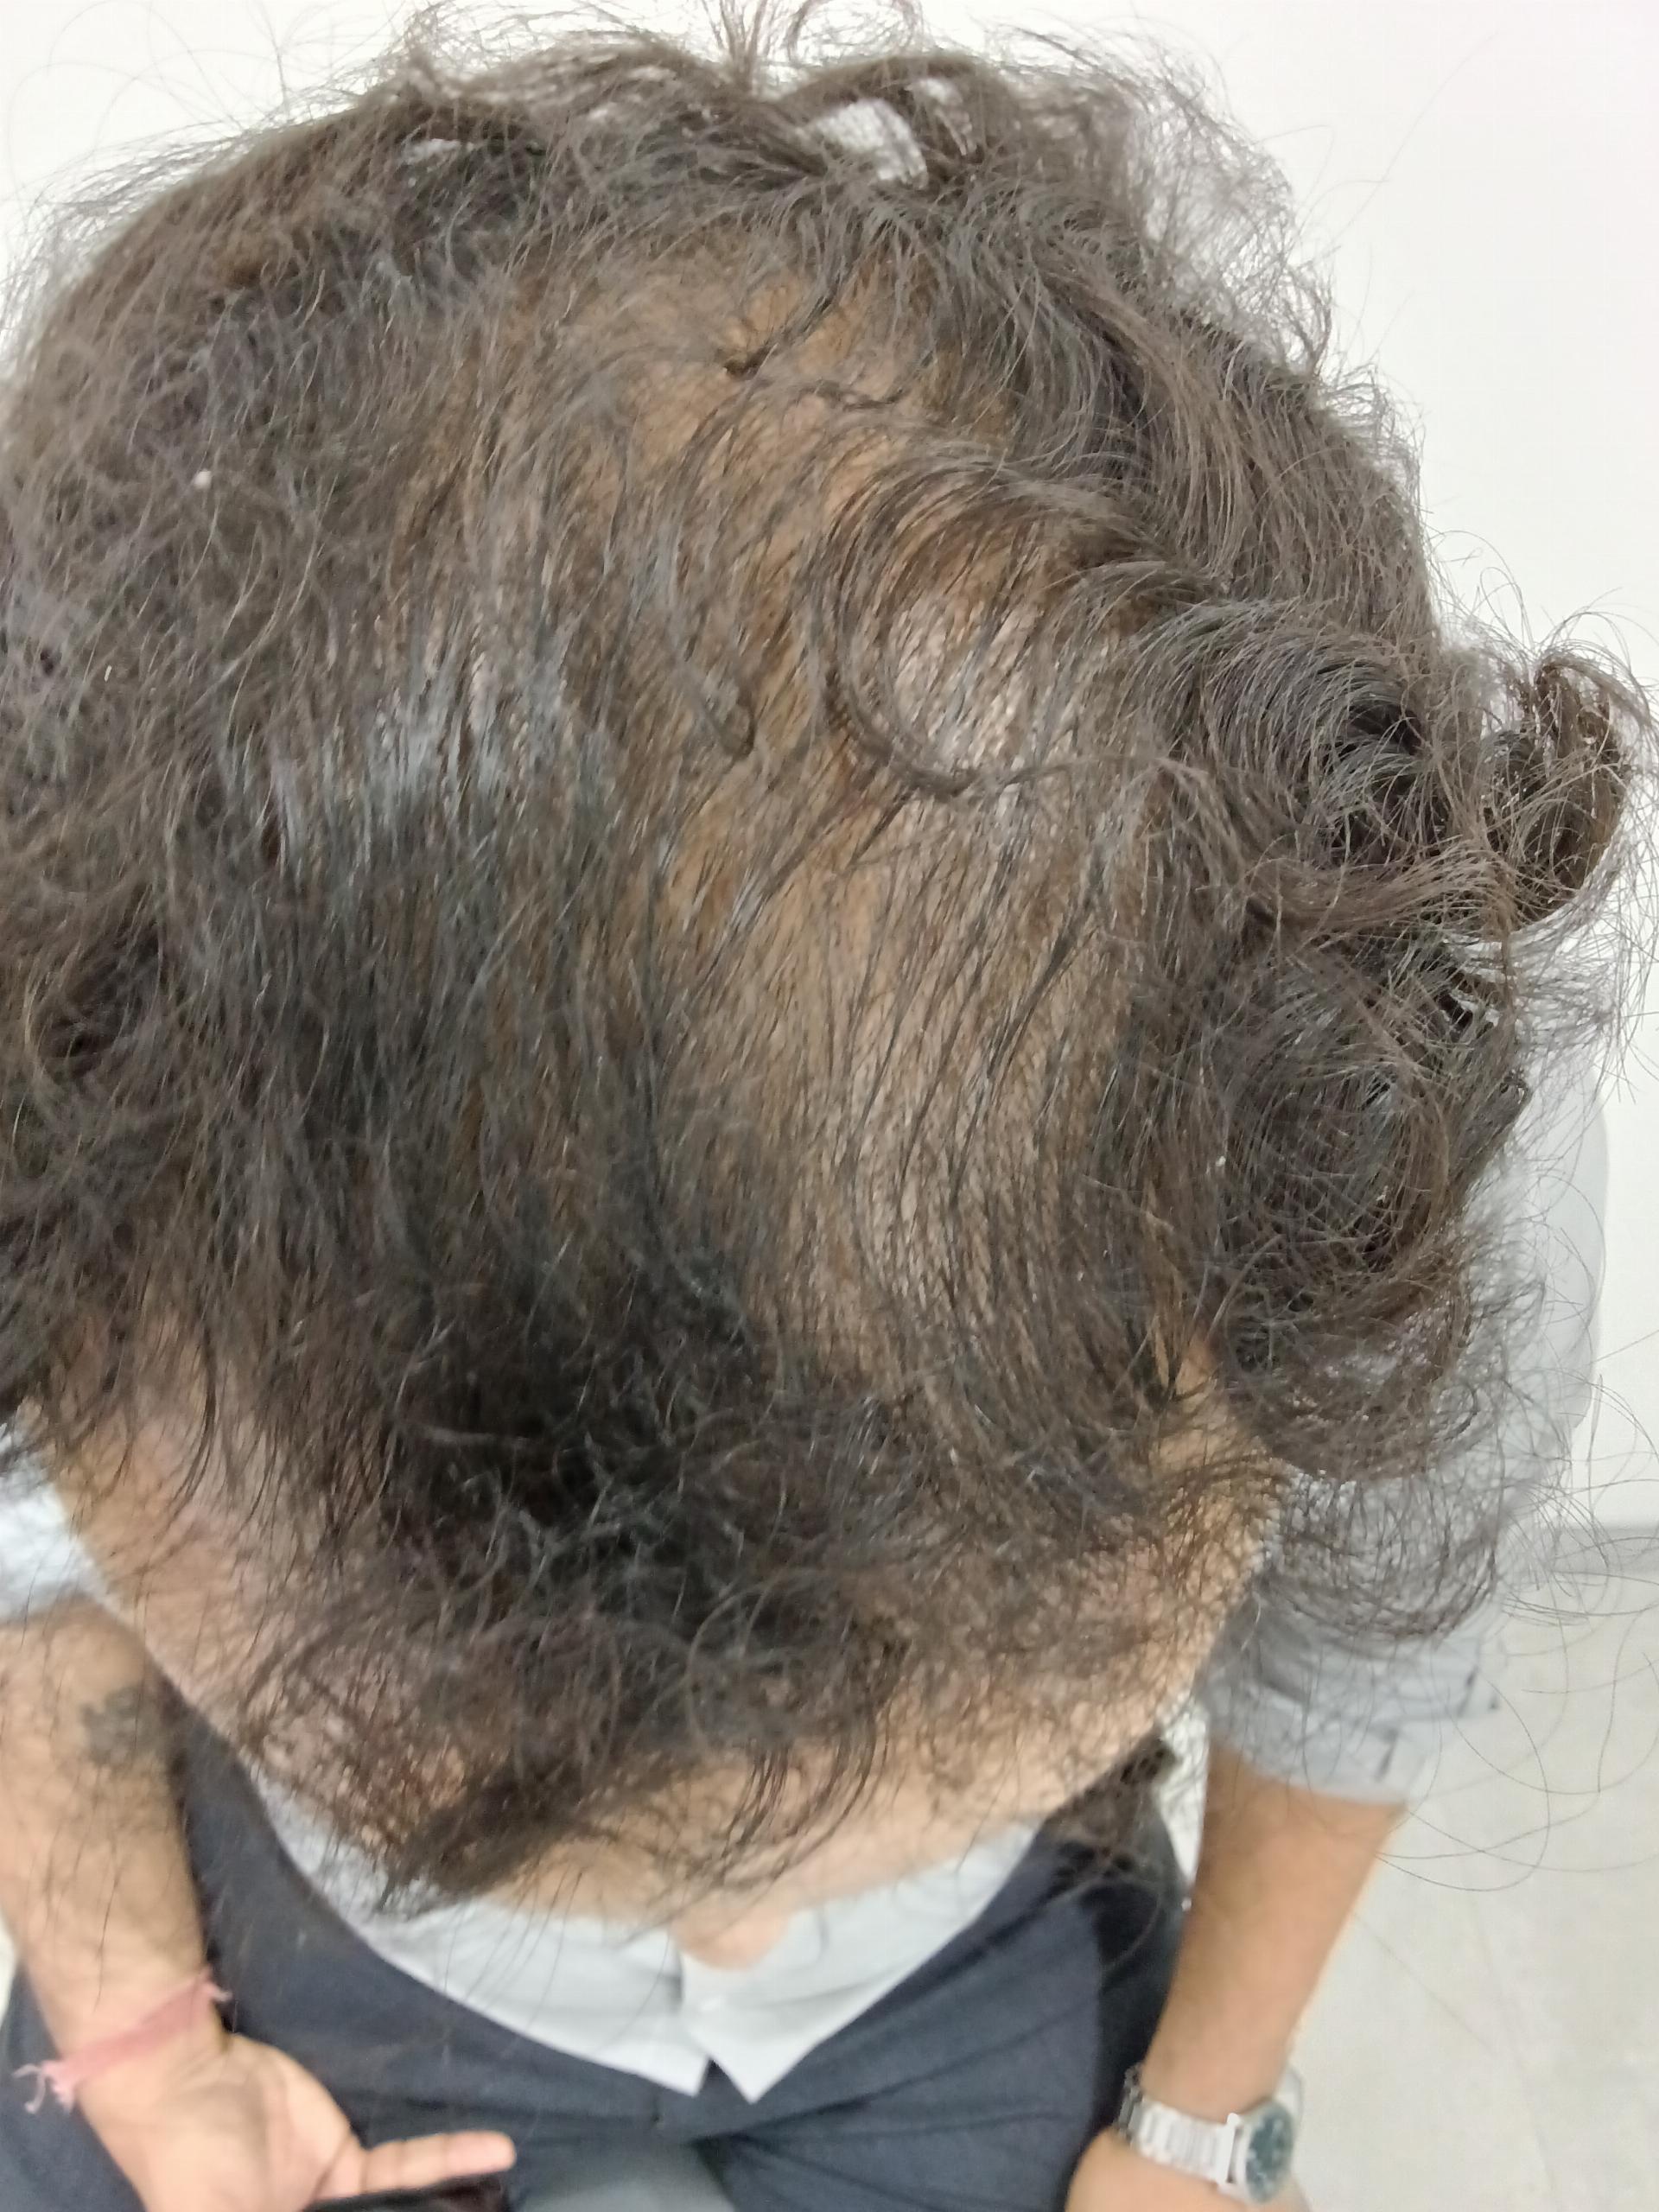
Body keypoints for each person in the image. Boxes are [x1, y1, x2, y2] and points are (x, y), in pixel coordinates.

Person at [0, 5, 1646, 2209]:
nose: (744, 1929)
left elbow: (1365, 1638)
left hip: (984, 1976)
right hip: (306, 1952)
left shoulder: (1404, 1117)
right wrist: (134, 2042)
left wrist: (1192, 2119)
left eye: (846, 1801)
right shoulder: (67, 997)